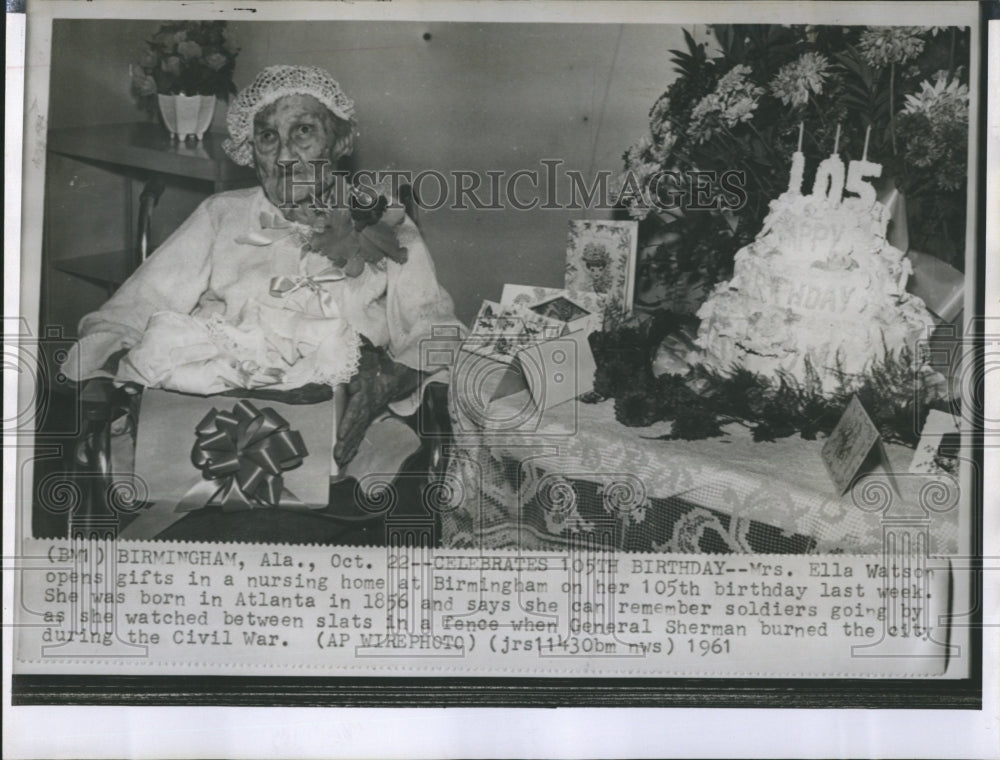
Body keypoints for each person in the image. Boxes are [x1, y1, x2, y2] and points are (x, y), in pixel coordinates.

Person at [63, 65, 465, 467]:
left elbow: (437, 328)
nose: (286, 155)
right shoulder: (222, 215)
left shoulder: (382, 219)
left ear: (340, 141)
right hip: (204, 429)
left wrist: (387, 382)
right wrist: (130, 376)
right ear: (251, 150)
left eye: (303, 131)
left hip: (342, 434)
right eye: (268, 137)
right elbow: (123, 315)